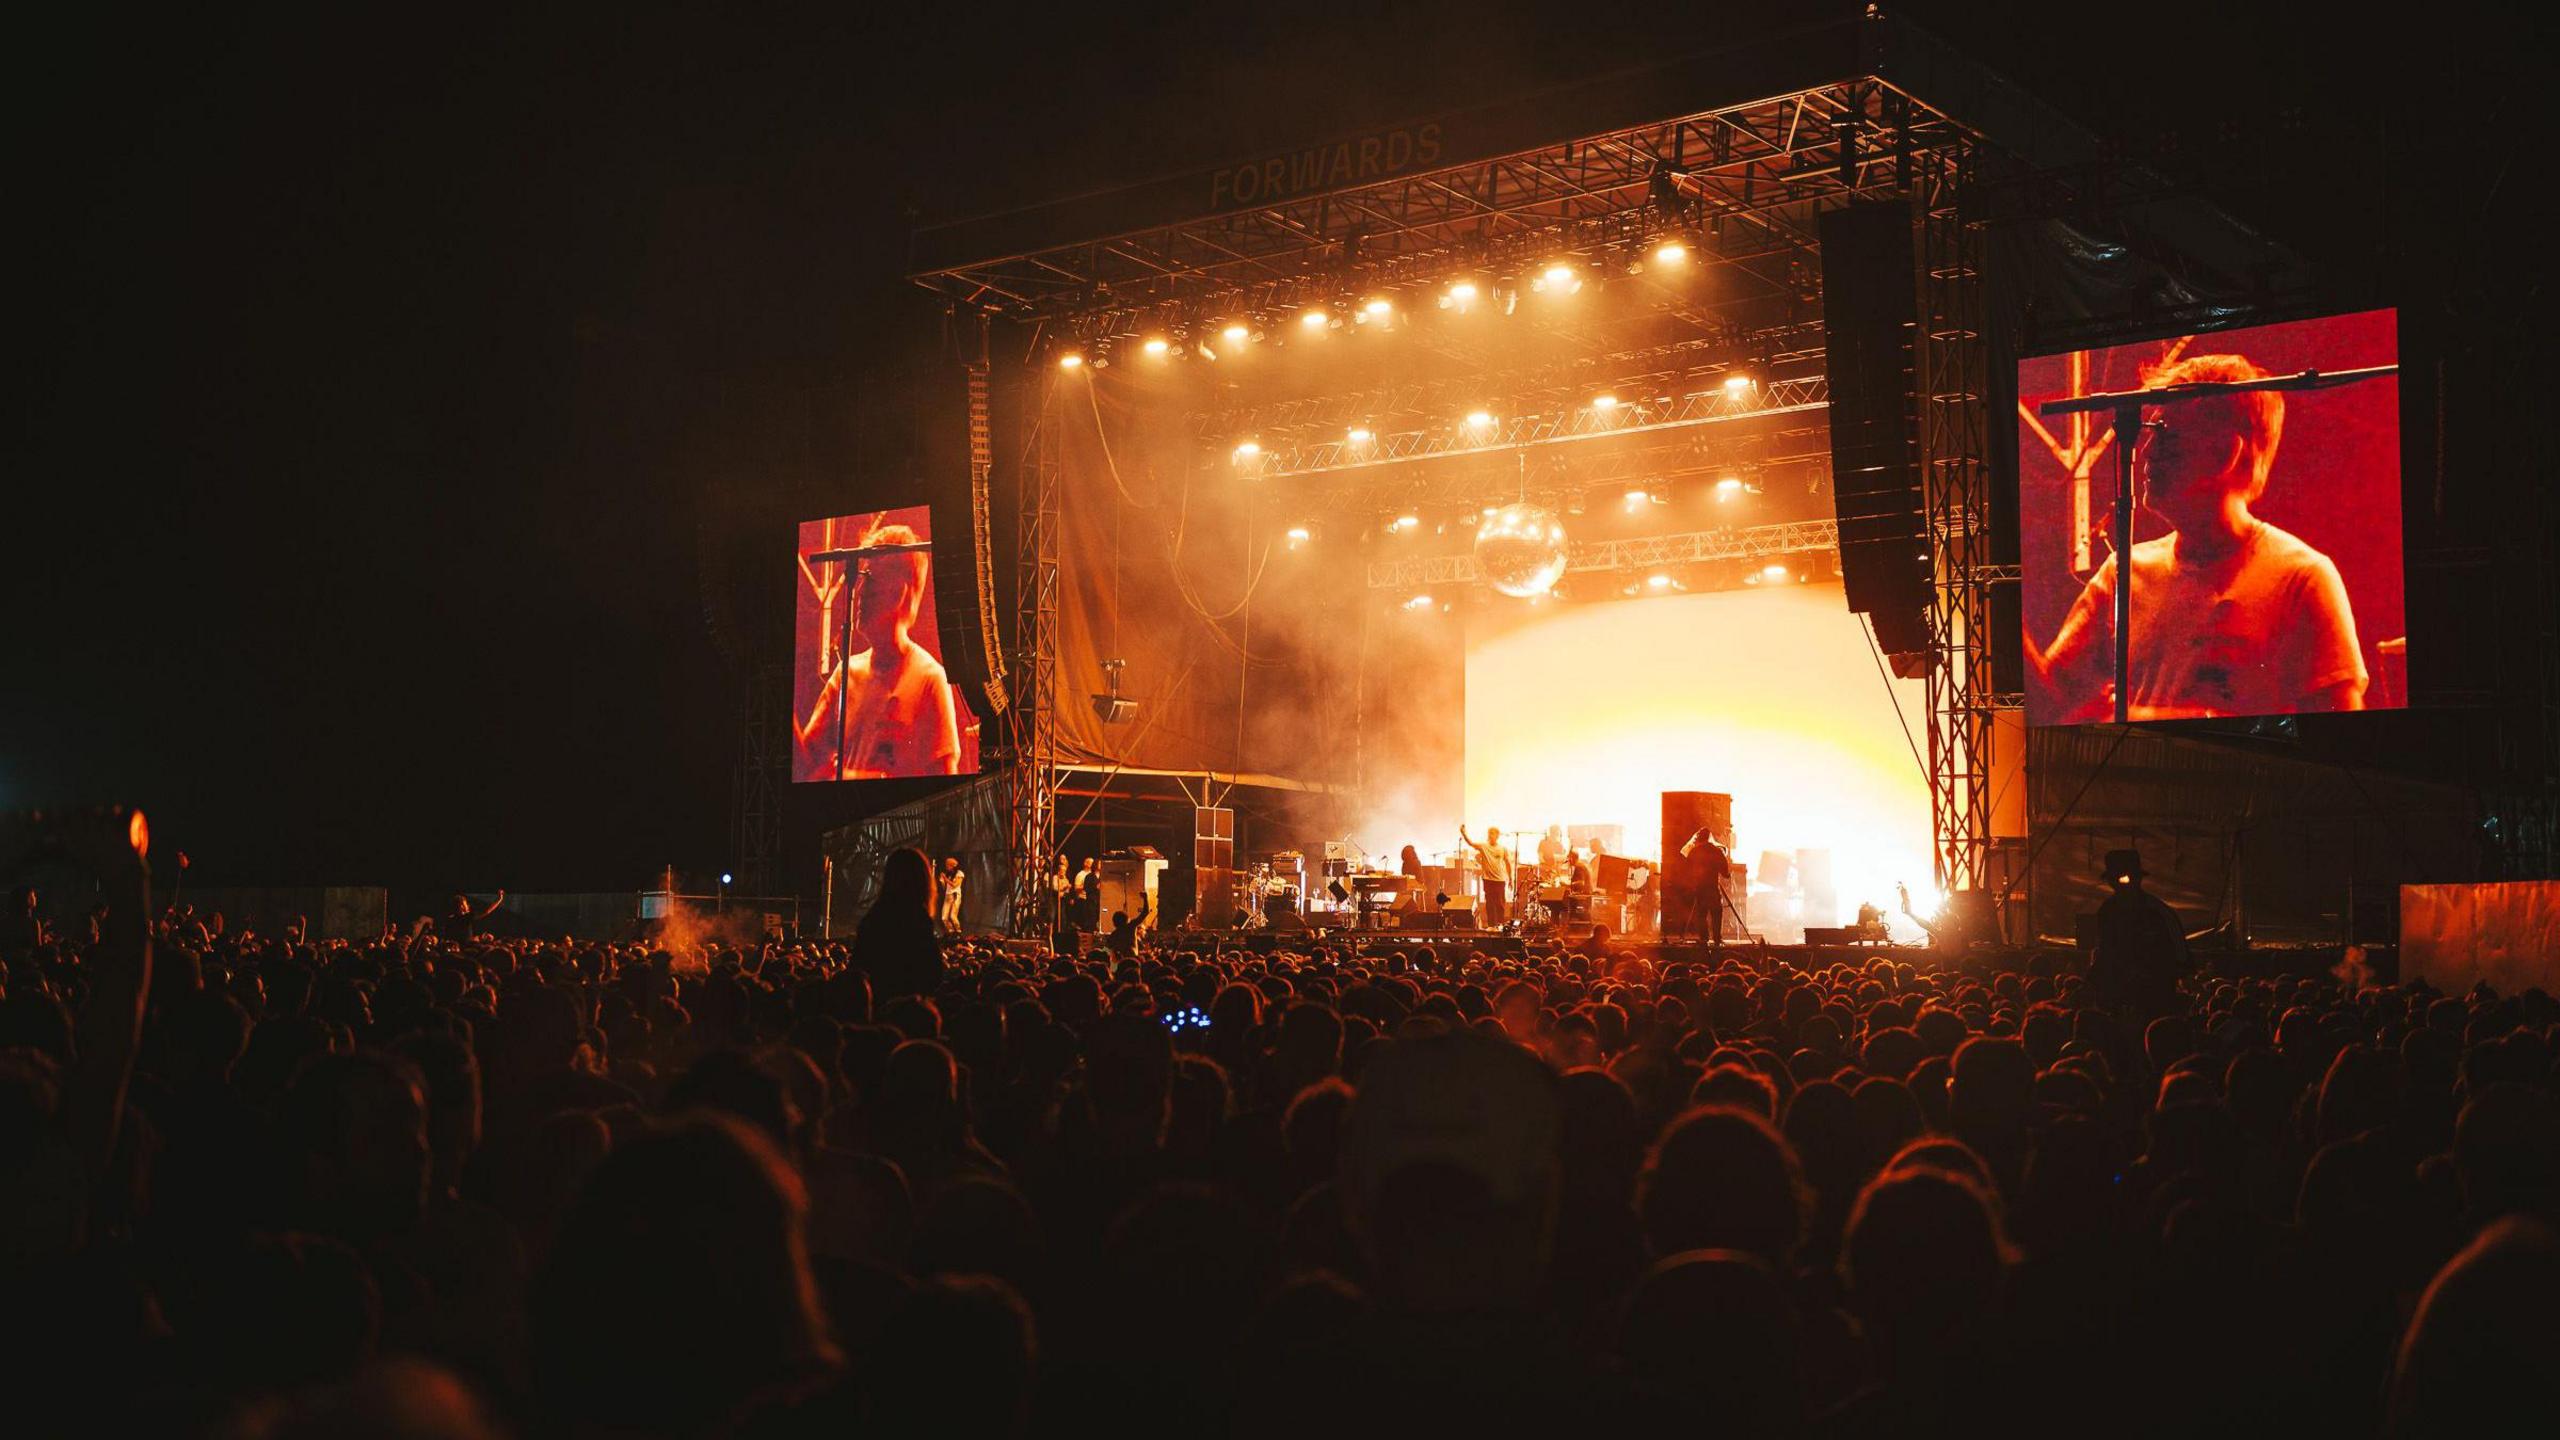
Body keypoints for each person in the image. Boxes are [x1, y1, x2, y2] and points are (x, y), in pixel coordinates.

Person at [2026, 352, 2368, 721]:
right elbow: (2050, 702)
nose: (2146, 452)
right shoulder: (2122, 571)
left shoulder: (2302, 578)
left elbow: (2339, 735)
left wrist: (2149, 722)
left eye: (2166, 437)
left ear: (2225, 453)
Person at [796, 523, 962, 779]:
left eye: (869, 579)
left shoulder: (930, 679)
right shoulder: (845, 674)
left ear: (898, 592)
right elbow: (807, 761)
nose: (859, 591)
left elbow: (946, 785)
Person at [2090, 847, 2186, 1018]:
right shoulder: (2108, 910)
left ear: (2137, 879)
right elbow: (2106, 949)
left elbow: (2179, 955)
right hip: (2120, 994)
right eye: (2114, 879)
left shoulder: (2156, 912)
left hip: (2152, 995)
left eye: (2123, 878)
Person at [848, 848, 944, 1000]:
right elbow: (934, 973)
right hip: (909, 1011)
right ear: (922, 880)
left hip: (878, 1007)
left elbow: (857, 969)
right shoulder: (918, 919)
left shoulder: (874, 917)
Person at [1678, 827, 1733, 947]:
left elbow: (1687, 871)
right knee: (1716, 913)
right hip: (1713, 888)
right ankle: (1717, 939)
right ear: (1709, 837)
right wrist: (1729, 873)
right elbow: (1725, 873)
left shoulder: (1693, 852)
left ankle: (1704, 939)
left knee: (1701, 915)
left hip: (1700, 890)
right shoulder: (1717, 852)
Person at [1459, 825, 1514, 928]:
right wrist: (1463, 833)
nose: (1491, 836)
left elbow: (1508, 863)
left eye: (1493, 833)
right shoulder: (1484, 846)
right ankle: (1492, 925)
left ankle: (1500, 924)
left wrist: (1510, 878)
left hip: (1500, 879)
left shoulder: (1503, 849)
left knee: (1500, 903)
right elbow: (1471, 843)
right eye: (1490, 833)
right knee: (1490, 903)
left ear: (1497, 835)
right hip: (1488, 879)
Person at [937, 857, 965, 936]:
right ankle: (951, 932)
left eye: (948, 865)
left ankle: (958, 931)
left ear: (952, 866)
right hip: (948, 896)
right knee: (944, 917)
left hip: (955, 895)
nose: (946, 867)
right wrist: (942, 881)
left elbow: (955, 885)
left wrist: (945, 879)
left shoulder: (959, 873)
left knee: (953, 916)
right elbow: (944, 887)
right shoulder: (948, 874)